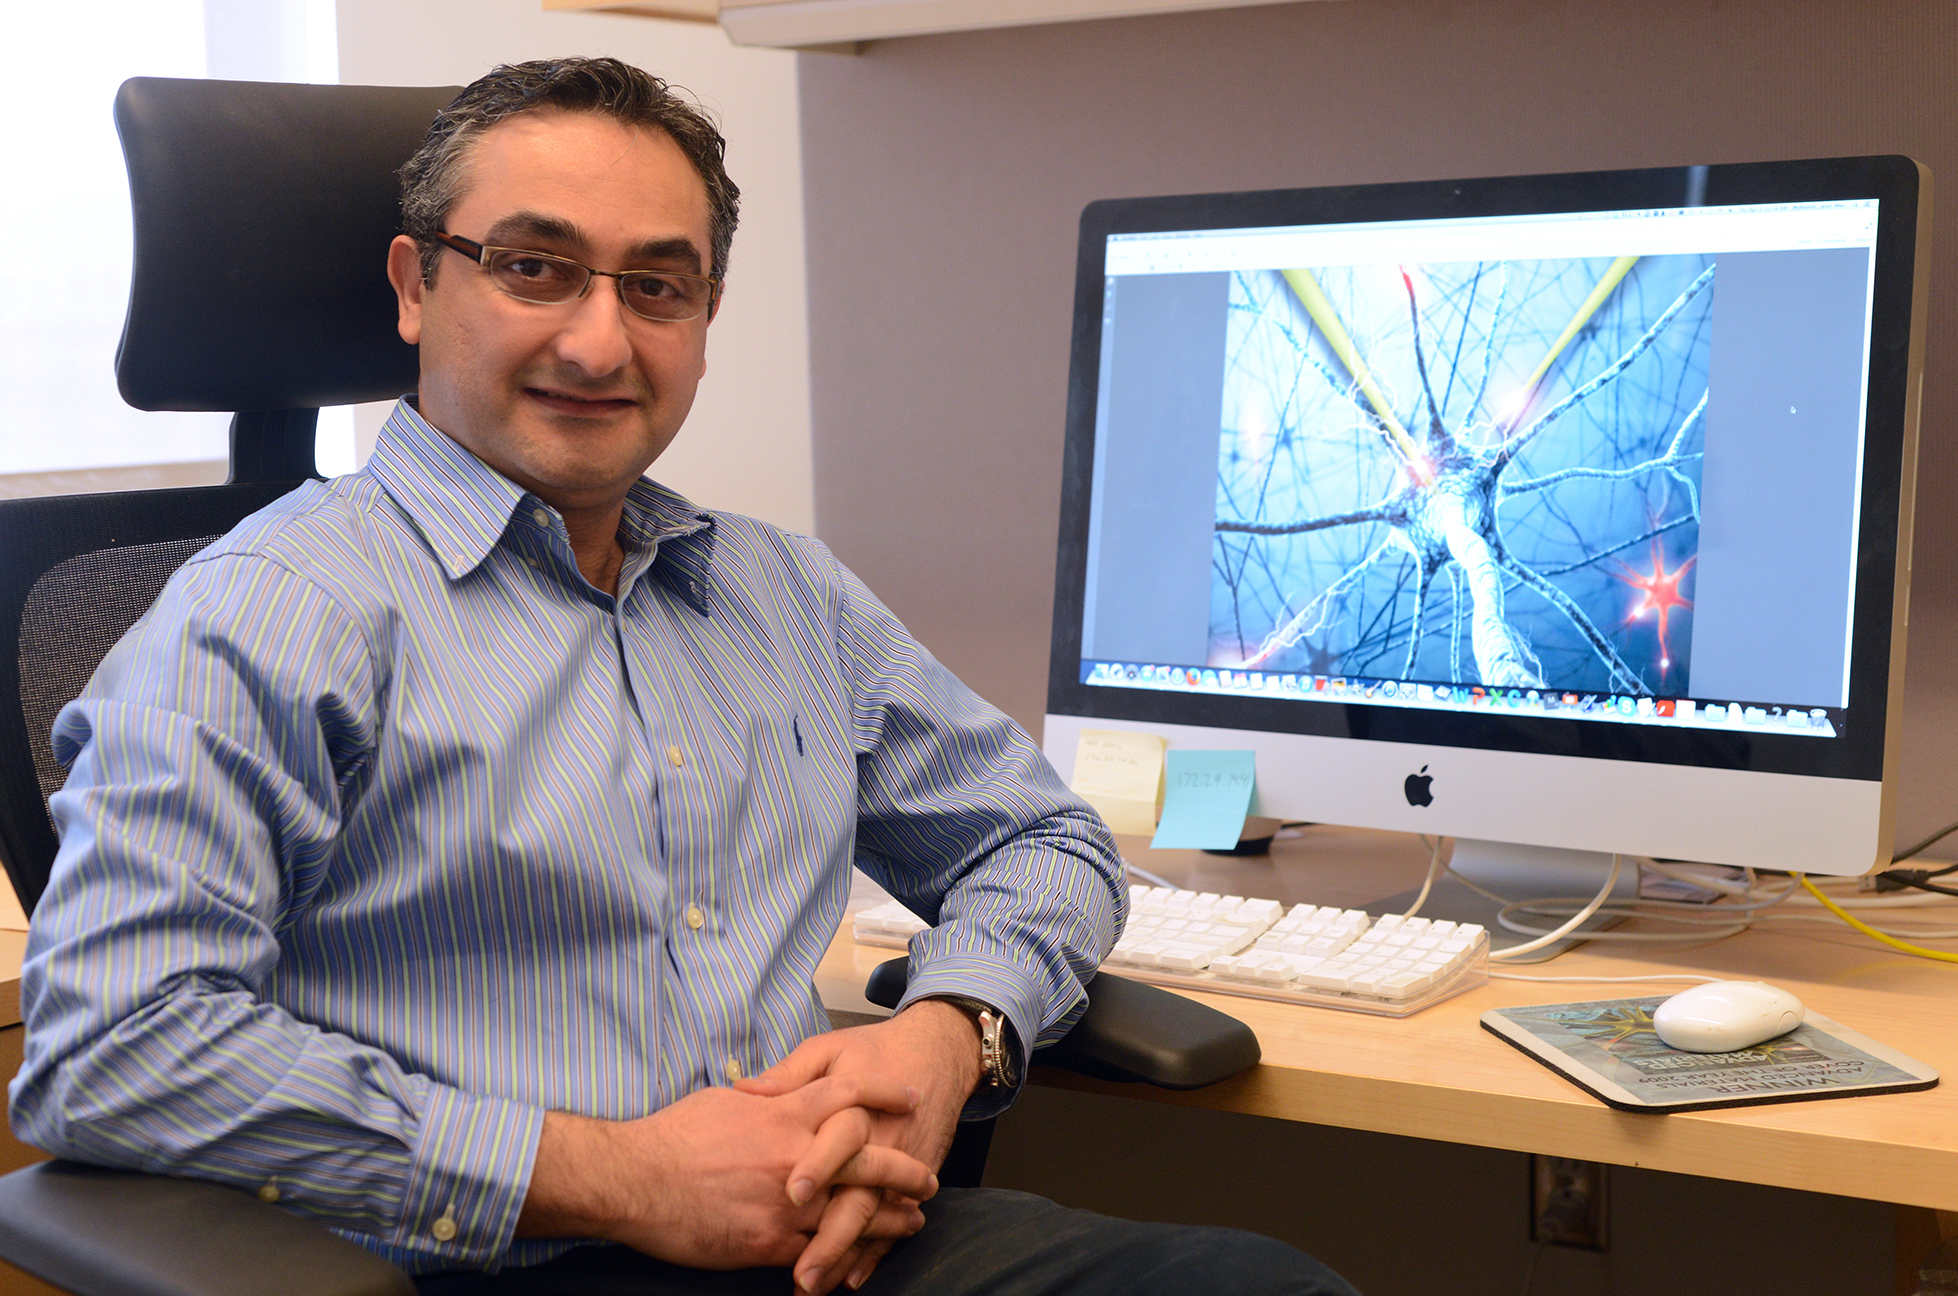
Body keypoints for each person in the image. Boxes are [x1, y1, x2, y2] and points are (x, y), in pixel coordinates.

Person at [11, 57, 1357, 1296]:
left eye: (656, 284)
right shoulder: (268, 615)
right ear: (418, 286)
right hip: (489, 1266)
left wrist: (950, 1034)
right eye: (535, 268)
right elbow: (116, 1045)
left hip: (829, 1246)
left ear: (704, 313)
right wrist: (624, 1179)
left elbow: (1041, 838)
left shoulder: (782, 593)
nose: (602, 343)